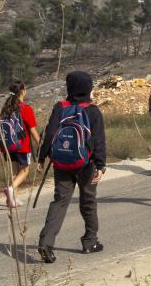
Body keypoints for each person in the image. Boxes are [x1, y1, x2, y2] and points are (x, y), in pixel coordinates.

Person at [36, 71, 107, 263]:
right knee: (88, 201)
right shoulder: (92, 110)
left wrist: (41, 157)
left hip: (61, 162)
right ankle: (90, 241)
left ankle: (46, 241)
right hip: (87, 164)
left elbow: (50, 133)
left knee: (60, 201)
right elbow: (99, 139)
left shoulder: (60, 107)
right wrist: (101, 165)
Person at [0, 82, 42, 208]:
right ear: (22, 91)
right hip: (22, 146)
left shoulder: (6, 108)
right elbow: (33, 131)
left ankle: (12, 200)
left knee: (15, 171)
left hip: (9, 145)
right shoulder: (26, 108)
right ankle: (10, 189)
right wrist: (40, 143)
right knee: (24, 171)